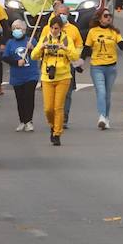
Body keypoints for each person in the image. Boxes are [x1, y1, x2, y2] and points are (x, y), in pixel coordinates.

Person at [82, 8, 123, 130]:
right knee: (101, 92)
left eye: (110, 16)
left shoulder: (114, 32)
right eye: (106, 15)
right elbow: (86, 48)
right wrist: (80, 61)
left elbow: (121, 44)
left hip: (111, 68)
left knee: (107, 95)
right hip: (97, 67)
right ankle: (102, 116)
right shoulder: (92, 32)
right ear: (99, 18)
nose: (108, 18)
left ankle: (106, 118)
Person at [32, 12, 81, 145]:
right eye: (52, 28)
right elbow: (33, 56)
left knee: (58, 107)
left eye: (57, 28)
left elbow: (75, 57)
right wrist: (42, 47)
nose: (54, 30)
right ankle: (52, 125)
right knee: (48, 108)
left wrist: (64, 48)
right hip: (47, 77)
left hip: (63, 76)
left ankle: (57, 133)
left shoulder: (66, 40)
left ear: (61, 28)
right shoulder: (45, 38)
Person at [1, 19, 39, 132]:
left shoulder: (31, 41)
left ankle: (29, 121)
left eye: (18, 28)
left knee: (28, 97)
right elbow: (5, 57)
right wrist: (16, 62)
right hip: (16, 76)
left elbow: (39, 55)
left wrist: (32, 49)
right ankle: (22, 121)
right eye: (14, 29)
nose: (16, 30)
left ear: (24, 30)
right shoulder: (10, 43)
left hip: (31, 75)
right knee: (20, 99)